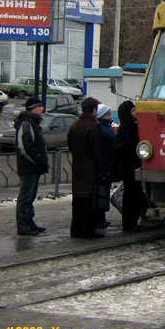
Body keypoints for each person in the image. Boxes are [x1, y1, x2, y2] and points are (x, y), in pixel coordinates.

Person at [67, 97, 107, 239]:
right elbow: (99, 151)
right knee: (90, 201)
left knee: (78, 200)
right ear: (94, 110)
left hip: (78, 167)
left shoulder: (74, 125)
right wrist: (103, 171)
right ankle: (88, 230)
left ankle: (75, 229)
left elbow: (70, 146)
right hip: (91, 169)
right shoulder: (94, 126)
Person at [14, 96, 49, 236]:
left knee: (30, 197)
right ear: (33, 109)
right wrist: (38, 159)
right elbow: (25, 146)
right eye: (40, 106)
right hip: (29, 167)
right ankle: (23, 225)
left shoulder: (32, 123)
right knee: (26, 197)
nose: (42, 109)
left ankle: (29, 223)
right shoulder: (26, 123)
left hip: (33, 167)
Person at [113, 100, 146, 232]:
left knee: (135, 194)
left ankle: (134, 220)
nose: (136, 112)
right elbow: (119, 147)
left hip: (133, 166)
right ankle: (129, 223)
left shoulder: (133, 126)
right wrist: (131, 157)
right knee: (130, 195)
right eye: (133, 110)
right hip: (129, 167)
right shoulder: (127, 128)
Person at [95, 104, 117, 229]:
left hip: (108, 164)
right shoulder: (102, 129)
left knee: (103, 191)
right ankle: (99, 218)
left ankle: (101, 217)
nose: (110, 117)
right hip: (106, 164)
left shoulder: (106, 127)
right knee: (102, 192)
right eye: (108, 114)